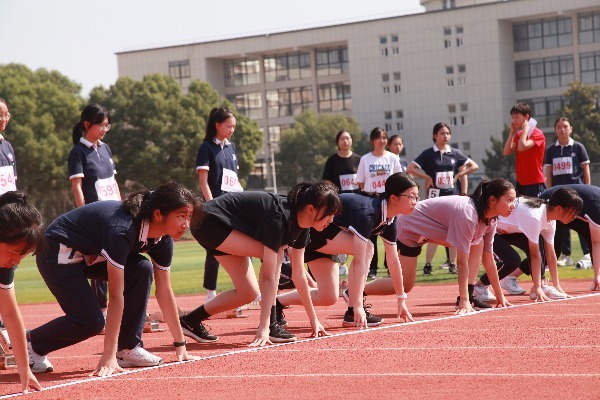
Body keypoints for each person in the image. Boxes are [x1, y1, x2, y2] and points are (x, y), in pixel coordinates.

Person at [27, 183, 200, 376]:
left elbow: (165, 291)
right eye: (181, 216)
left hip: (90, 254)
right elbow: (116, 296)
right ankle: (32, 344)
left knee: (141, 268)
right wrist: (107, 356)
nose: (186, 224)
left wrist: (180, 346)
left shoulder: (163, 240)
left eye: (189, 216)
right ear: (158, 214)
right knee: (90, 322)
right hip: (58, 251)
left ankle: (129, 349)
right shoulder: (123, 229)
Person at [181, 182, 342, 346]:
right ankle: (270, 325)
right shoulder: (279, 216)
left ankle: (190, 320)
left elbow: (299, 275)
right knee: (276, 256)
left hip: (227, 226)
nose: (332, 219)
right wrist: (263, 327)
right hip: (209, 221)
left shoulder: (303, 228)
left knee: (248, 293)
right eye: (329, 213)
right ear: (310, 209)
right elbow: (267, 276)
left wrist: (313, 320)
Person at [275, 172, 417, 330]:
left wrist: (401, 298)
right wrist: (356, 306)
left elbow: (393, 260)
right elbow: (358, 262)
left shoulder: (390, 220)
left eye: (417, 197)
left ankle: (278, 303)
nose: (415, 202)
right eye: (411, 196)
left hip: (329, 236)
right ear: (394, 198)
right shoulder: (368, 212)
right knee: (368, 248)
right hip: (316, 231)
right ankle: (352, 308)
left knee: (328, 296)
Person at [369, 179, 516, 314]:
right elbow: (461, 262)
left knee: (478, 243)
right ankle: (355, 290)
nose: (513, 205)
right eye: (509, 200)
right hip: (409, 227)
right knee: (405, 284)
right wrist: (463, 302)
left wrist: (500, 296)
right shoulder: (467, 215)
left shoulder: (490, 220)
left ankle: (470, 295)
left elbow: (488, 258)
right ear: (492, 200)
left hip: (432, 231)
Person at [473, 188, 583, 302]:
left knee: (541, 245)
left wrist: (557, 286)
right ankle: (479, 287)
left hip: (506, 231)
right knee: (512, 260)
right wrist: (537, 287)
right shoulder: (534, 216)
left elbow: (551, 255)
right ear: (559, 208)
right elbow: (534, 254)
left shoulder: (550, 220)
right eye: (573, 212)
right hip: (488, 228)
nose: (574, 216)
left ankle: (540, 285)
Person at [68, 104, 121, 322]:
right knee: (98, 260)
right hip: (94, 216)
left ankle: (123, 308)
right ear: (87, 124)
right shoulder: (78, 152)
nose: (104, 129)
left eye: (107, 125)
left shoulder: (106, 149)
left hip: (114, 212)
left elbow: (113, 182)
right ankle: (102, 311)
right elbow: (77, 187)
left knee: (119, 258)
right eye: (101, 124)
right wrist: (83, 216)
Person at [406, 122, 479, 275]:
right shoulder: (428, 154)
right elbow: (410, 168)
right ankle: (427, 265)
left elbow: (474, 166)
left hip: (452, 195)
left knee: (453, 231)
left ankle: (452, 263)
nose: (445, 136)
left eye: (447, 133)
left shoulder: (454, 153)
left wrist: (459, 175)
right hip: (435, 197)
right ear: (435, 136)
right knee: (432, 231)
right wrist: (426, 176)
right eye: (442, 133)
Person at [196, 107, 242, 302]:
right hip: (216, 205)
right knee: (214, 248)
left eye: (234, 126)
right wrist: (211, 205)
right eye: (228, 126)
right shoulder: (206, 148)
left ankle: (245, 288)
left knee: (241, 246)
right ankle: (210, 293)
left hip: (234, 204)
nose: (232, 129)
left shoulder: (231, 148)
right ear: (217, 125)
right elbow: (203, 181)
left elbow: (234, 179)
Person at [0, 192, 44, 393]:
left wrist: (24, 370)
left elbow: (10, 314)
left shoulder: (4, 267)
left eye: (22, 256)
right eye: (13, 253)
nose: (16, 262)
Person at [544, 117, 591, 267]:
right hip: (559, 195)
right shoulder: (551, 150)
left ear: (571, 128)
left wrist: (587, 189)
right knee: (561, 226)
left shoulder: (578, 147)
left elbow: (585, 169)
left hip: (577, 193)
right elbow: (549, 172)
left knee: (581, 223)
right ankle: (565, 255)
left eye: (565, 126)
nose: (562, 129)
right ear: (555, 130)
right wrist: (549, 191)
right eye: (559, 126)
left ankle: (588, 254)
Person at [356, 127, 402, 280]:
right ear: (372, 141)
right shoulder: (365, 159)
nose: (382, 141)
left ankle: (390, 267)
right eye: (378, 138)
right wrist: (371, 193)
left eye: (384, 138)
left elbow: (399, 178)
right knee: (370, 237)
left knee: (390, 235)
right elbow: (361, 182)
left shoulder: (393, 158)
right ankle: (372, 268)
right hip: (371, 201)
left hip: (389, 201)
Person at [539, 184, 600, 291]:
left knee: (590, 236)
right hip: (551, 203)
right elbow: (596, 242)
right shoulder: (596, 207)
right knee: (551, 249)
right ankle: (512, 276)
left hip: (567, 208)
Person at [322, 129, 362, 276]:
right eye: (342, 139)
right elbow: (327, 182)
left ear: (351, 141)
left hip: (357, 203)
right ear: (337, 142)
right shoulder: (332, 161)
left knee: (357, 234)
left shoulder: (359, 159)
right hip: (339, 203)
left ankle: (357, 264)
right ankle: (341, 263)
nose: (345, 141)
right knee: (340, 232)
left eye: (348, 138)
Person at [0, 98, 18, 332]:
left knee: (7, 266)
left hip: (7, 220)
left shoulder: (7, 146)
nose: (3, 119)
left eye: (5, 115)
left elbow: (13, 183)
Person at [503, 103, 546, 197]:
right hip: (521, 182)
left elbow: (522, 147)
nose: (514, 120)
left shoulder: (537, 133)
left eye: (517, 117)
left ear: (526, 117)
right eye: (513, 117)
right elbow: (506, 151)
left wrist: (526, 129)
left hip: (535, 182)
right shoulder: (519, 134)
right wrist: (512, 132)